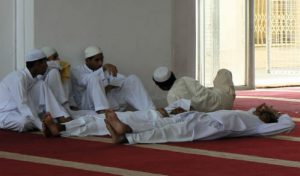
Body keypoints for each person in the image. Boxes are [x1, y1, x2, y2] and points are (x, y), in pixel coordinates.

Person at [103, 103, 295, 144]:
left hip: (207, 126)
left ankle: (127, 134)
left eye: (266, 111)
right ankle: (126, 133)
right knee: (165, 126)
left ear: (268, 118)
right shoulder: (250, 115)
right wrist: (271, 111)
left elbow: (287, 125)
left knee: (168, 131)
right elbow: (255, 108)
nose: (260, 109)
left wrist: (280, 114)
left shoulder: (259, 126)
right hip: (201, 118)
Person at [0, 49, 72, 132]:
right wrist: (41, 127)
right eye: (45, 63)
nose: (47, 66)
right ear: (38, 64)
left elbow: (55, 65)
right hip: (5, 112)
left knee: (41, 84)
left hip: (19, 111)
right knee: (24, 122)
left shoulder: (33, 78)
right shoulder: (19, 78)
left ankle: (61, 117)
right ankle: (46, 126)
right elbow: (23, 105)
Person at [42, 99, 191, 137]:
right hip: (130, 115)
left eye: (182, 111)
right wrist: (166, 111)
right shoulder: (172, 108)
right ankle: (60, 129)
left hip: (138, 122)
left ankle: (61, 129)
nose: (179, 109)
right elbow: (183, 103)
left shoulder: (177, 120)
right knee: (92, 119)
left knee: (97, 125)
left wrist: (168, 115)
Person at [71, 46, 155, 114]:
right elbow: (85, 80)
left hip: (108, 100)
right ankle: (103, 112)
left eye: (102, 59)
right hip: (87, 105)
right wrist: (103, 70)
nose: (100, 63)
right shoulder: (77, 71)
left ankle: (151, 111)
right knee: (94, 78)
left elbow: (120, 79)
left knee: (132, 79)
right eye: (97, 60)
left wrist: (112, 85)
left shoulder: (101, 69)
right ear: (87, 61)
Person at [152, 67, 236, 112]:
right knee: (223, 72)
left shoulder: (171, 96)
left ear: (161, 86)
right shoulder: (185, 79)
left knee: (211, 90)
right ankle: (230, 93)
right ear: (173, 75)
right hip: (224, 100)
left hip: (213, 114)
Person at [41, 47, 77, 111]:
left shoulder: (64, 71)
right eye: (55, 57)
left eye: (57, 57)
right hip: (49, 109)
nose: (58, 59)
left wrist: (73, 106)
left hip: (66, 108)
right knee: (54, 72)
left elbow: (70, 95)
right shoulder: (41, 74)